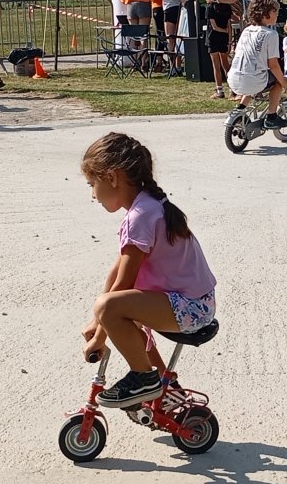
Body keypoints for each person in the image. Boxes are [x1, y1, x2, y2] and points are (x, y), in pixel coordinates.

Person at [79, 131, 217, 407]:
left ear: (112, 177)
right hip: (196, 303)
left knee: (111, 307)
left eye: (92, 184)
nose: (93, 194)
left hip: (190, 309)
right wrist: (97, 321)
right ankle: (166, 387)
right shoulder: (149, 206)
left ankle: (144, 378)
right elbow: (117, 270)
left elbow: (124, 284)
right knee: (112, 309)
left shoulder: (140, 217)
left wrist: (100, 336)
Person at [225, 0, 287, 127]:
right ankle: (271, 116)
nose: (277, 14)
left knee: (252, 76)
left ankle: (240, 108)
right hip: (253, 81)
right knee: (277, 83)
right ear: (265, 15)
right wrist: (284, 81)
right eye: (274, 12)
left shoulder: (246, 30)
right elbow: (273, 65)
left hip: (233, 79)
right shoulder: (271, 34)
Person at [156, 0, 186, 71]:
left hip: (169, 8)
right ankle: (178, 65)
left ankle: (172, 65)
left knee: (170, 38)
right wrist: (182, 0)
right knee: (178, 37)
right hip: (180, 8)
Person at [205, 0, 233, 100]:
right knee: (226, 64)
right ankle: (233, 89)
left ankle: (219, 90)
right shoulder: (227, 7)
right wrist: (229, 39)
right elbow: (229, 25)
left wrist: (224, 31)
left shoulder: (210, 8)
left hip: (213, 37)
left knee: (216, 66)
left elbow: (214, 26)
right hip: (224, 39)